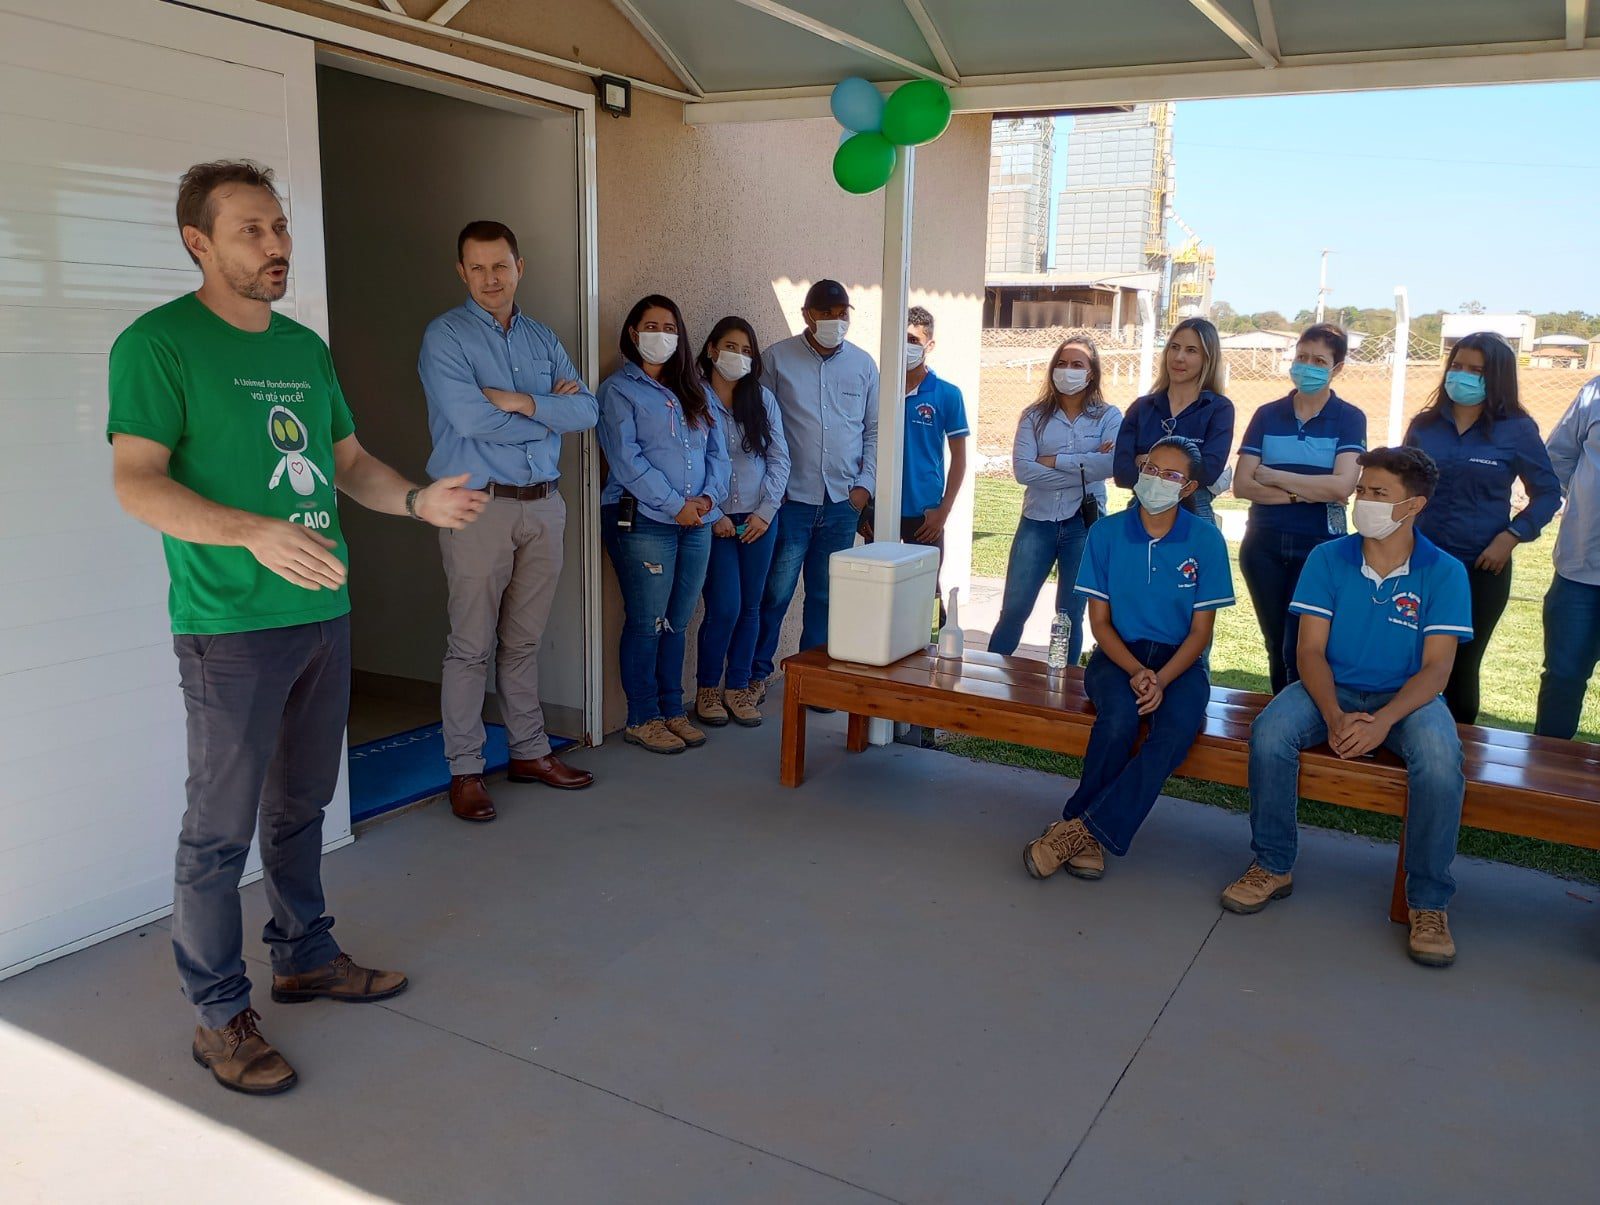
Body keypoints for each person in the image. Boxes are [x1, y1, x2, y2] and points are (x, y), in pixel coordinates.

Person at [108, 160, 487, 1095]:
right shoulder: (157, 345)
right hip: (230, 626)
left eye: (279, 228)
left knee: (302, 805)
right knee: (218, 830)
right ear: (198, 242)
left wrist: (413, 499)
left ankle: (305, 953)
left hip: (323, 612)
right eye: (251, 230)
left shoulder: (303, 348)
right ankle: (218, 1014)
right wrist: (254, 533)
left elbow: (346, 462)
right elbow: (137, 480)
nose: (276, 246)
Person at [1221, 447, 1472, 968]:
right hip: (1330, 689)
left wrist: (1382, 722)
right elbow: (1308, 652)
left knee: (1441, 763)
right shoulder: (1328, 557)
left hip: (1405, 700)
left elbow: (1436, 671)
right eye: (1363, 490)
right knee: (1270, 732)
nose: (1365, 502)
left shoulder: (1443, 572)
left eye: (1379, 494)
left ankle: (1427, 901)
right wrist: (1335, 716)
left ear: (1413, 506)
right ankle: (1272, 864)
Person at [419, 220, 599, 823]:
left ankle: (529, 751)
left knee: (523, 642)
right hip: (477, 504)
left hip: (544, 503)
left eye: (501, 266)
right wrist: (553, 412)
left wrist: (523, 402)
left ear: (520, 266)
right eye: (478, 268)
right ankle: (466, 770)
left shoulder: (542, 338)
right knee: (470, 646)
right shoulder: (445, 337)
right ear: (461, 272)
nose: (491, 279)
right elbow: (470, 420)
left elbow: (588, 409)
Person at [1022, 437, 1234, 880]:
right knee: (1118, 720)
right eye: (1151, 469)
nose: (1157, 480)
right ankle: (1091, 833)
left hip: (1181, 662)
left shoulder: (1206, 540)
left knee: (1174, 732)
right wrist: (1138, 672)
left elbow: (1201, 633)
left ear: (1189, 487)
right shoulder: (1106, 533)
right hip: (1119, 657)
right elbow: (1100, 624)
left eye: (1171, 475)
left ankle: (1079, 828)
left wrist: (1161, 678)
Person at [1404, 333, 1560, 724]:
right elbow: (1401, 488)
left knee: (1460, 667)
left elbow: (1548, 494)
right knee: (1406, 660)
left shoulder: (1518, 430)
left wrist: (1512, 536)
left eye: (1477, 370)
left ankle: (1457, 758)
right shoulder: (1424, 426)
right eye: (1457, 366)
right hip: (1418, 563)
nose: (1463, 376)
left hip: (1481, 569)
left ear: (1498, 378)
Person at [599, 295, 730, 754]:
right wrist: (676, 504)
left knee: (677, 620)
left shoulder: (695, 388)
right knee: (647, 622)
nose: (662, 335)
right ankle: (642, 716)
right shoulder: (618, 390)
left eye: (670, 327)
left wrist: (710, 499)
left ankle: (673, 709)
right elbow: (626, 460)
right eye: (651, 326)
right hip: (644, 521)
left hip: (695, 522)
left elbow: (719, 452)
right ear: (634, 334)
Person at [749, 279, 879, 703]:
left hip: (842, 502)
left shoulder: (863, 365)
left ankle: (813, 683)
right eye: (826, 313)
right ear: (808, 315)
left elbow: (875, 430)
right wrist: (772, 492)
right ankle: (754, 676)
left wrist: (863, 488)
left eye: (842, 313)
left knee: (825, 595)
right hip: (791, 502)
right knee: (776, 592)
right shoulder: (777, 359)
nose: (836, 321)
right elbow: (759, 427)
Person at [1233, 323, 1366, 693]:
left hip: (1321, 545)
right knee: (1276, 642)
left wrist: (1273, 475)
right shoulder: (1266, 414)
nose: (1307, 366)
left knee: (1306, 644)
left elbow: (1343, 485)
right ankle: (1283, 711)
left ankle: (1314, 713)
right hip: (1263, 544)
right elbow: (1243, 484)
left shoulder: (1349, 418)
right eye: (1302, 357)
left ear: (1336, 369)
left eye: (1319, 360)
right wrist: (1308, 492)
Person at [989, 337, 1122, 662]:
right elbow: (1023, 471)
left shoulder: (1108, 416)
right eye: (1062, 363)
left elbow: (1112, 464)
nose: (1068, 370)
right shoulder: (1034, 416)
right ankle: (986, 679)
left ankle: (1063, 686)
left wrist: (1053, 459)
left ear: (1091, 373)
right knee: (1014, 610)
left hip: (1083, 526)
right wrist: (1084, 463)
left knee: (1070, 614)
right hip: (1037, 522)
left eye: (1077, 365)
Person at [692, 317, 790, 728]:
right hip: (713, 519)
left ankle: (739, 687)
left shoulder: (761, 399)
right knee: (724, 608)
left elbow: (779, 459)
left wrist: (765, 513)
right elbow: (690, 462)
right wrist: (713, 515)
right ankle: (707, 690)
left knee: (752, 607)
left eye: (748, 351)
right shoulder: (692, 396)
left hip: (757, 520)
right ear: (712, 350)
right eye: (732, 347)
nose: (740, 356)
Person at [858, 305, 969, 623]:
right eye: (899, 338)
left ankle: (934, 658)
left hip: (925, 516)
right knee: (878, 591)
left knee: (927, 595)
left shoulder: (947, 394)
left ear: (929, 346)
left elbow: (959, 458)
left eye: (913, 339)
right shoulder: (877, 389)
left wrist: (943, 511)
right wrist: (865, 506)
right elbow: (860, 446)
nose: (905, 345)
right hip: (880, 511)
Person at [1113, 317, 1234, 523]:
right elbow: (1122, 473)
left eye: (1191, 350)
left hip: (1194, 513)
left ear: (1208, 358)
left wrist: (1148, 463)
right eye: (1174, 347)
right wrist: (1183, 468)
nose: (1179, 357)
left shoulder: (1219, 409)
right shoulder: (1142, 408)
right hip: (1141, 510)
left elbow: (1208, 473)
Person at [1536, 374, 1600, 739]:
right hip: (1580, 570)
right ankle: (1546, 777)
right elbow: (1557, 458)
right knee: (1563, 675)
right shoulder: (1594, 393)